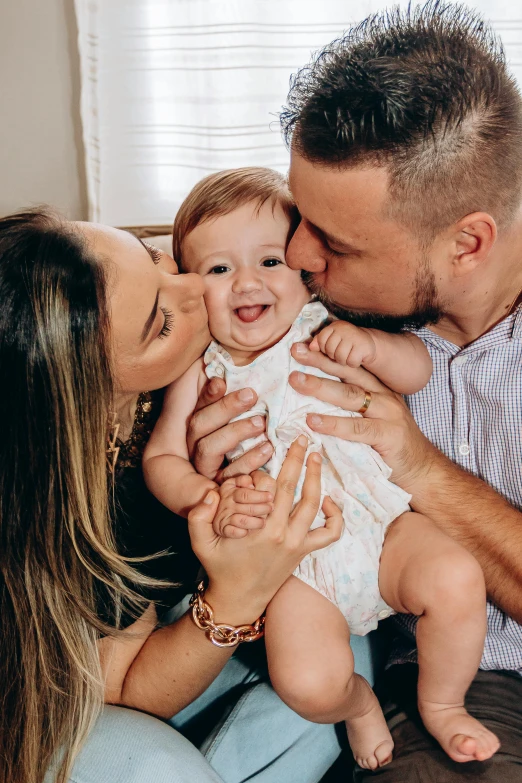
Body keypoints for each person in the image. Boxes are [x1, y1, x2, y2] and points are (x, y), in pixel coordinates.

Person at [143, 166, 498, 769]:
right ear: (190, 288)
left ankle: (441, 704)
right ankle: (359, 705)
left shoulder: (328, 322)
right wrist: (207, 497)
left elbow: (418, 369)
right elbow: (162, 458)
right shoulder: (202, 365)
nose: (246, 282)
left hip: (384, 522)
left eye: (270, 262)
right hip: (292, 563)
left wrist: (376, 349)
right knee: (306, 683)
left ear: (305, 273)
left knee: (458, 579)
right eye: (219, 269)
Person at [0, 208, 345, 783]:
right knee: (157, 768)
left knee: (333, 672)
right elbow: (125, 690)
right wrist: (238, 593)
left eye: (155, 259)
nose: (194, 288)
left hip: (175, 632)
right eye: (161, 322)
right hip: (67, 705)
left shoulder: (208, 365)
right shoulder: (51, 502)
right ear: (87, 394)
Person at [270, 1, 522, 780]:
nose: (296, 252)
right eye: (297, 215)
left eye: (333, 242)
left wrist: (418, 463)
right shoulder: (305, 313)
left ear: (467, 243)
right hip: (460, 685)